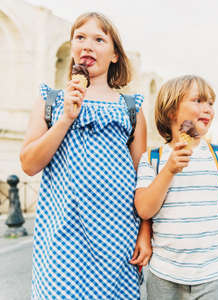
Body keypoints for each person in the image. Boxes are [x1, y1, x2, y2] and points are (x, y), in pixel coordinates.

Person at [20, 12, 151, 299]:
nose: (87, 46)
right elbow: (29, 164)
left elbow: (144, 178)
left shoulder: (131, 108)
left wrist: (145, 233)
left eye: (99, 39)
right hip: (62, 238)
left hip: (118, 239)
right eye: (80, 37)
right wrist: (66, 118)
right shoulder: (50, 100)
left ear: (115, 54)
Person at [134, 75, 218, 299]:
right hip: (164, 275)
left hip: (214, 274)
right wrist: (169, 170)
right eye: (198, 101)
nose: (207, 108)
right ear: (171, 111)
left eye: (210, 103)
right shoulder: (153, 160)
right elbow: (144, 209)